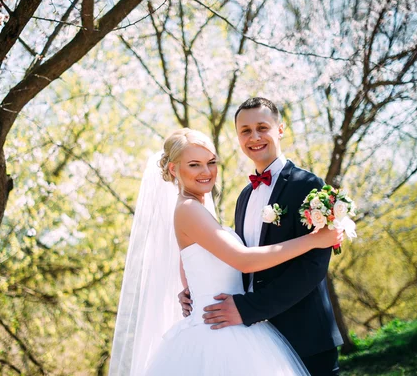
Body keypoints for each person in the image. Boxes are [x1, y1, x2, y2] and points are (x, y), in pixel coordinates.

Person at [108, 127, 343, 376]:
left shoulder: (197, 208)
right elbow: (243, 260)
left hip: (230, 321)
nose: (207, 172)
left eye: (211, 162)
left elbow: (189, 269)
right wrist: (314, 240)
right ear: (174, 169)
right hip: (219, 333)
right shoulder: (189, 209)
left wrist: (192, 293)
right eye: (195, 165)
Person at [179, 97, 344, 376]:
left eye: (262, 127)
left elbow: (313, 267)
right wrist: (194, 288)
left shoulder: (308, 185)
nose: (254, 137)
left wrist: (250, 308)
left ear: (280, 129)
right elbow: (240, 260)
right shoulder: (244, 196)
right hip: (254, 338)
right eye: (245, 131)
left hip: (305, 334)